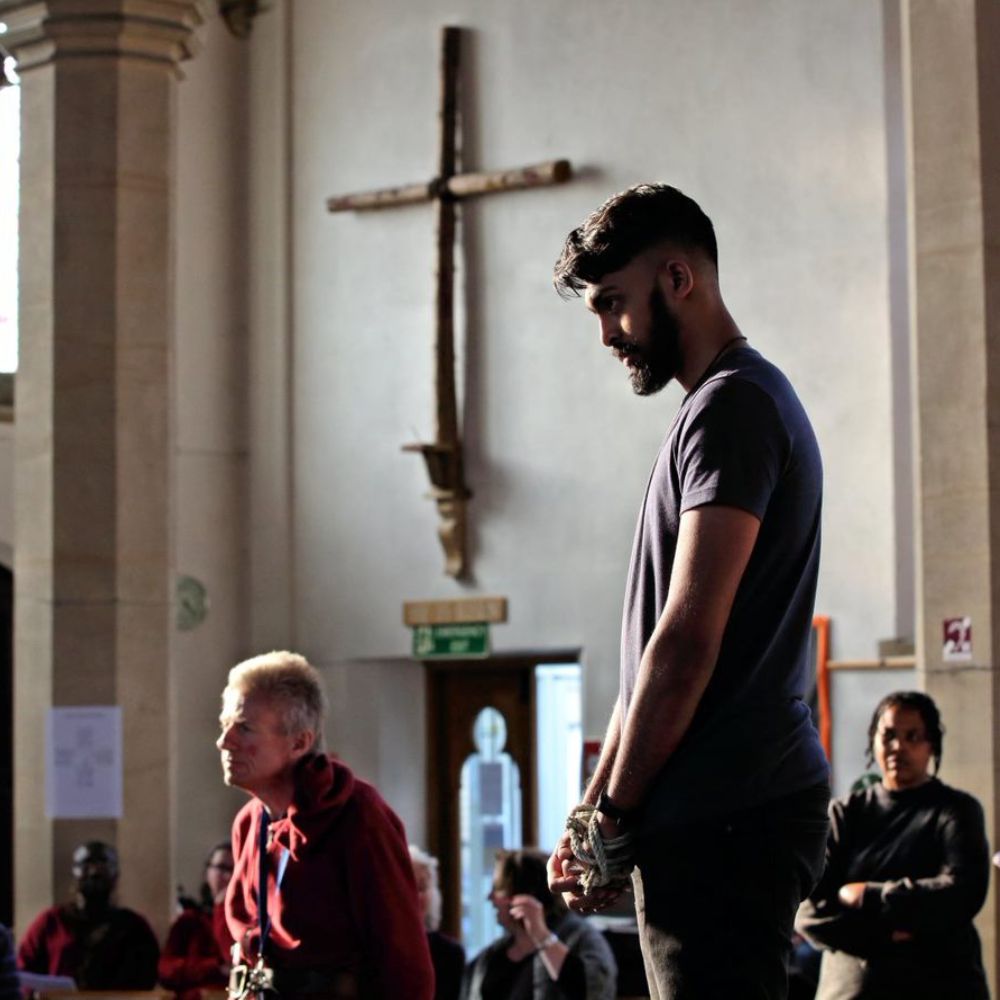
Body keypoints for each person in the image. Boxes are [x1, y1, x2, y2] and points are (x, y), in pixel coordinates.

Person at [546, 183, 831, 999]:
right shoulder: (713, 408)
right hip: (716, 810)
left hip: (730, 810)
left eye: (613, 304)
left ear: (678, 278)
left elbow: (686, 641)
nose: (605, 334)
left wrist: (616, 821)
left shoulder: (734, 407)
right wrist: (594, 815)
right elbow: (647, 665)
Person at [217, 650, 434, 999]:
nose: (224, 741)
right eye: (224, 724)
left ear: (299, 742)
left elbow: (404, 961)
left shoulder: (359, 815)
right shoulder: (250, 821)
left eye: (244, 727)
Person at [796, 691, 990, 999]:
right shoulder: (845, 813)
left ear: (932, 746)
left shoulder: (956, 811)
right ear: (874, 740)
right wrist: (889, 932)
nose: (898, 747)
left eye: (913, 736)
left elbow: (962, 893)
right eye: (888, 736)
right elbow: (810, 912)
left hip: (941, 985)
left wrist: (868, 895)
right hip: (853, 989)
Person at [461, 849, 616, 1000]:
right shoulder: (494, 953)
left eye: (498, 888)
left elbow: (594, 989)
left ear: (523, 893)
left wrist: (542, 936)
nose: (490, 897)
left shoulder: (581, 937)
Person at [17, 839, 159, 987]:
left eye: (103, 864)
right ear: (74, 873)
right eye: (86, 864)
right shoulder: (51, 921)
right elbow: (24, 971)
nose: (94, 872)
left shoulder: (135, 927)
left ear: (116, 874)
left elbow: (148, 977)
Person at [159, 841, 234, 1000]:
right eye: (222, 868)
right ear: (208, 872)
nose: (228, 876)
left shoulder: (251, 924)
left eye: (234, 870)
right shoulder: (190, 920)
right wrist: (215, 968)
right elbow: (167, 970)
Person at [410, 845, 465, 1000]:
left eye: (422, 888)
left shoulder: (450, 953)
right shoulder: (374, 947)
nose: (416, 896)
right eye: (409, 887)